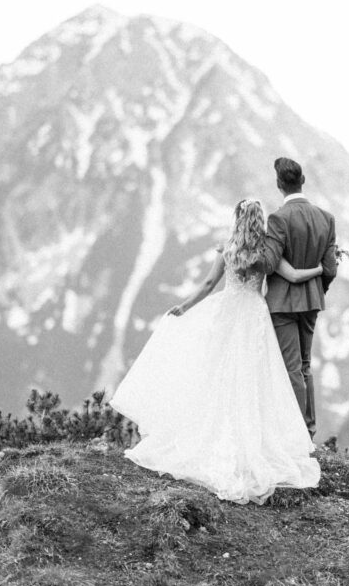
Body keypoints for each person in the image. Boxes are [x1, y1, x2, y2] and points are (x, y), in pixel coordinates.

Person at [109, 199, 322, 504]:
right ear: (260, 221)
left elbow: (209, 283)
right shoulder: (266, 254)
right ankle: (254, 438)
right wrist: (321, 267)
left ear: (237, 218)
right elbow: (292, 276)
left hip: (228, 312)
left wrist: (184, 307)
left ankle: (212, 431)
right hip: (254, 315)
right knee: (253, 378)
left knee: (216, 373)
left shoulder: (228, 250)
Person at [262, 157, 338, 440]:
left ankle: (295, 434)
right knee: (305, 365)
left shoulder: (278, 219)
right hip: (312, 301)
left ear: (278, 184)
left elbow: (269, 263)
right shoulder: (326, 219)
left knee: (291, 367)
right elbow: (330, 269)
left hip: (282, 303)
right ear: (302, 181)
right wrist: (317, 290)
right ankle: (308, 429)